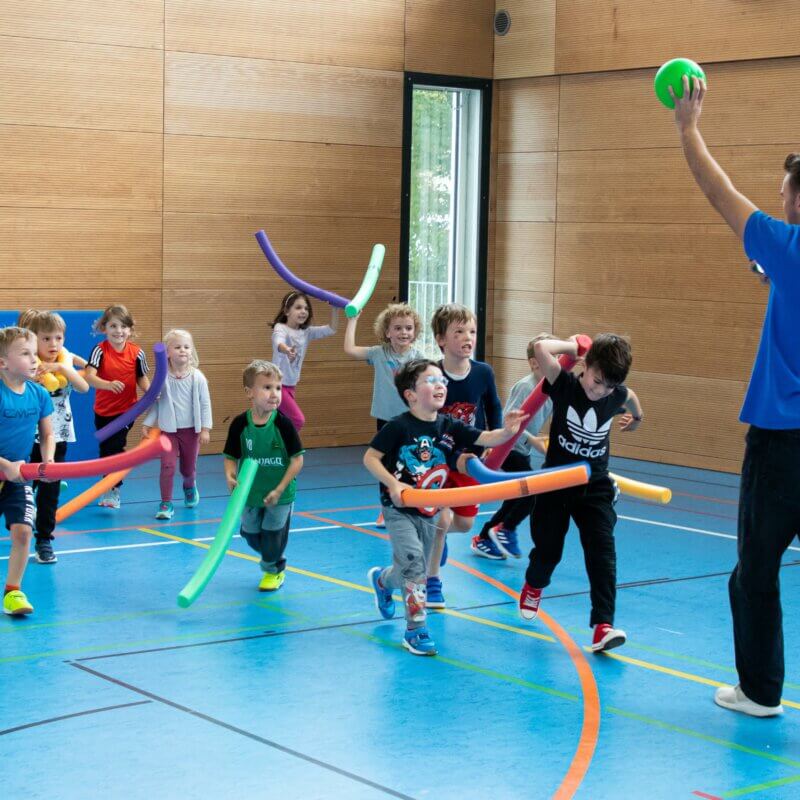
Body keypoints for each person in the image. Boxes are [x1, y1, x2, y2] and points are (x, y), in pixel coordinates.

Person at [671, 75, 800, 717]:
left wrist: (689, 127)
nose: (777, 201)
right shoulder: (783, 258)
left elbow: (718, 192)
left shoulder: (788, 246)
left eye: (783, 193)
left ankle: (758, 691)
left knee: (756, 569)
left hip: (781, 447)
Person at [364, 358, 527, 656]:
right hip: (399, 508)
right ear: (410, 394)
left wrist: (508, 432)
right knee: (415, 566)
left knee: (410, 569)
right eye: (431, 380)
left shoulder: (448, 425)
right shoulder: (398, 427)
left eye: (442, 381)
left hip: (430, 509)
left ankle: (382, 580)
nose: (440, 385)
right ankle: (416, 630)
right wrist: (394, 483)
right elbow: (370, 458)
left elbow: (484, 437)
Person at [518, 334, 644, 653]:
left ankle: (603, 625)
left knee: (602, 553)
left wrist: (637, 419)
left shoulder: (617, 394)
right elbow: (540, 348)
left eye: (607, 387)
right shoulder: (565, 385)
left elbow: (632, 399)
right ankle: (534, 584)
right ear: (586, 367)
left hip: (595, 486)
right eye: (597, 380)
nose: (599, 390)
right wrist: (574, 347)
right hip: (556, 482)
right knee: (548, 550)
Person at [425, 304, 502, 608]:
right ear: (441, 339)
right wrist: (449, 453)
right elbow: (426, 418)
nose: (467, 337)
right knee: (442, 518)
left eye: (471, 331)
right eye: (458, 332)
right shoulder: (433, 374)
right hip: (440, 459)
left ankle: (435, 538)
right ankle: (432, 582)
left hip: (472, 458)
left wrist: (497, 438)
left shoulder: (483, 372)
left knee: (465, 523)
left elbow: (493, 406)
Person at [223, 360, 304, 592]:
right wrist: (230, 476)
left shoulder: (283, 424)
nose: (274, 394)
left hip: (280, 494)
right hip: (250, 493)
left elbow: (297, 459)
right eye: (267, 387)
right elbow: (230, 456)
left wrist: (279, 490)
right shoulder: (240, 424)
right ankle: (273, 555)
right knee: (250, 535)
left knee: (272, 536)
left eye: (278, 388)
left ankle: (273, 571)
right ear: (249, 392)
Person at [473, 333, 554, 560]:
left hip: (521, 450)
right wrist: (533, 440)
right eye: (551, 356)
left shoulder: (553, 388)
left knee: (514, 498)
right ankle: (505, 529)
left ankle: (485, 538)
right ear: (535, 362)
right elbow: (506, 421)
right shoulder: (526, 387)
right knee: (530, 494)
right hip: (508, 448)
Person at [344, 303, 424, 529]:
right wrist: (353, 320)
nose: (403, 333)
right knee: (386, 465)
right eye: (397, 328)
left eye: (408, 328)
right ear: (387, 332)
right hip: (387, 420)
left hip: (411, 420)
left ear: (415, 332)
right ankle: (387, 509)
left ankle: (410, 504)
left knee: (410, 463)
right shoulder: (378, 354)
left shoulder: (419, 357)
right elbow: (350, 349)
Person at [18, 310, 89, 563]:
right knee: (19, 487)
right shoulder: (27, 365)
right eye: (46, 339)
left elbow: (83, 387)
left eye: (58, 338)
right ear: (33, 339)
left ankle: (44, 539)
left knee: (50, 491)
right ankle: (23, 525)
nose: (53, 344)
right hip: (26, 438)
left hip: (57, 437)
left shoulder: (62, 363)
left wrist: (62, 366)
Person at [0, 327, 54, 616]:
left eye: (35, 353)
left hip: (18, 475)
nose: (35, 359)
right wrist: (4, 465)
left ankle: (13, 592)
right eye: (25, 353)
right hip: (6, 468)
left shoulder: (39, 394)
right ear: (2, 363)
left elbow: (47, 435)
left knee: (22, 531)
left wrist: (46, 463)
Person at [84, 304, 150, 509]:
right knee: (106, 450)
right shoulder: (100, 350)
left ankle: (114, 489)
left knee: (115, 447)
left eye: (123, 326)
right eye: (113, 326)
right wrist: (108, 385)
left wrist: (151, 393)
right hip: (103, 411)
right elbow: (89, 377)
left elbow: (141, 378)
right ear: (105, 328)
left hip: (126, 411)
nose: (118, 331)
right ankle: (108, 485)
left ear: (130, 329)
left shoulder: (137, 352)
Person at [142, 329, 212, 520]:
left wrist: (205, 428)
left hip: (191, 432)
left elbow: (205, 404)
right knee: (167, 466)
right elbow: (157, 403)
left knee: (188, 469)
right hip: (169, 432)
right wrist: (148, 423)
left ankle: (189, 486)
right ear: (167, 352)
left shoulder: (197, 377)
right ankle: (166, 502)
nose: (183, 350)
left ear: (192, 351)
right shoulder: (162, 378)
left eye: (186, 347)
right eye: (178, 347)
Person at [270, 290, 338, 431]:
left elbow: (332, 329)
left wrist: (335, 307)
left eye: (306, 308)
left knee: (278, 422)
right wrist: (287, 349)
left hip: (291, 386)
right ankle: (285, 448)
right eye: (298, 307)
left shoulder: (306, 332)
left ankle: (270, 448)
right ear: (286, 311)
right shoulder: (281, 328)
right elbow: (278, 342)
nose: (303, 311)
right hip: (277, 385)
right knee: (297, 420)